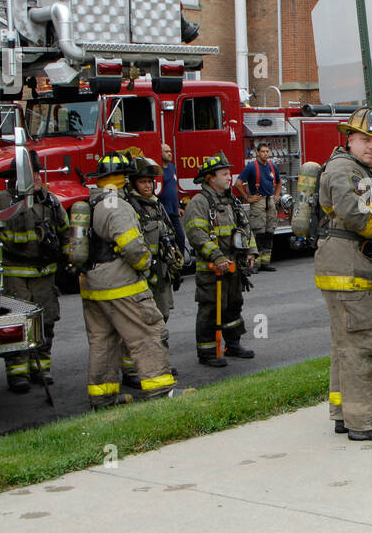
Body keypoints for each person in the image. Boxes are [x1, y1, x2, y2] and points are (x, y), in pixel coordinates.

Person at [316, 107, 372, 442]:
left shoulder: (357, 169)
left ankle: (344, 413)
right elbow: (352, 213)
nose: (371, 146)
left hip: (348, 270)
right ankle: (365, 422)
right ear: (348, 138)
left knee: (345, 344)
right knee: (362, 344)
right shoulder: (343, 169)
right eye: (365, 139)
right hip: (347, 272)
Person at [80, 152, 175, 407]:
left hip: (92, 285)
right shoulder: (118, 206)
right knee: (147, 332)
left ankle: (103, 398)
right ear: (125, 178)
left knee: (103, 341)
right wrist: (146, 264)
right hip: (120, 285)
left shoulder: (92, 202)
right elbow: (133, 248)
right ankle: (161, 392)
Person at [0, 150, 70, 392]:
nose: (35, 177)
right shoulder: (2, 201)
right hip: (17, 274)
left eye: (37, 172)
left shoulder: (51, 201)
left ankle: (41, 368)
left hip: (45, 274)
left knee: (46, 322)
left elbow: (65, 231)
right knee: (17, 324)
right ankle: (18, 373)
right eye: (29, 173)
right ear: (16, 177)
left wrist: (71, 256)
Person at [185, 151, 257, 367]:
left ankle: (233, 344)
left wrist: (251, 251)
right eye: (224, 174)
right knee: (210, 308)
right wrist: (216, 257)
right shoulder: (199, 202)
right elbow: (197, 235)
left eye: (229, 173)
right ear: (210, 178)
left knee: (233, 305)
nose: (229, 178)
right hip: (212, 270)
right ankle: (207, 353)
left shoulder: (231, 201)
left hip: (233, 267)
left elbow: (245, 227)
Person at [121, 157, 182, 389]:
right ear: (133, 184)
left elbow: (167, 237)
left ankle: (158, 362)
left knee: (161, 319)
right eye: (143, 182)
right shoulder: (131, 209)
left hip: (162, 275)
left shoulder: (156, 205)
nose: (147, 186)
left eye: (150, 182)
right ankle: (131, 370)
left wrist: (174, 268)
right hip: (142, 277)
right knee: (138, 324)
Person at [234, 142, 282, 271]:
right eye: (263, 152)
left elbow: (279, 181)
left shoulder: (272, 166)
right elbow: (238, 183)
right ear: (257, 153)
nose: (266, 154)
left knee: (269, 232)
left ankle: (266, 262)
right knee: (258, 232)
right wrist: (247, 198)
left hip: (270, 201)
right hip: (258, 201)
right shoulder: (251, 167)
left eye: (267, 151)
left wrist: (277, 195)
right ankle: (255, 263)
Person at [158, 143, 185, 252]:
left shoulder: (172, 167)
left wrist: (178, 206)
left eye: (170, 151)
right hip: (162, 212)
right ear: (159, 153)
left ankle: (181, 262)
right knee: (167, 240)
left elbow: (174, 188)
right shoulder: (157, 170)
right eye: (166, 151)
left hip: (173, 211)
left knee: (180, 237)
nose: (170, 154)